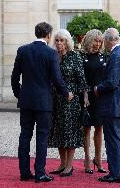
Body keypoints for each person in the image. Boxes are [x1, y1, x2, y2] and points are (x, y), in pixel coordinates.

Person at [11, 22, 73, 183]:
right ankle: (40, 173)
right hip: (44, 102)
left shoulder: (22, 50)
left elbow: (14, 77)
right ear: (48, 35)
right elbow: (57, 79)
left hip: (26, 101)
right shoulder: (51, 53)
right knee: (42, 137)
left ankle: (24, 172)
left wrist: (20, 95)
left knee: (25, 135)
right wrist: (66, 93)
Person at [48, 29, 88, 177]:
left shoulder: (75, 56)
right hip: (55, 100)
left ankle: (69, 166)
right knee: (58, 132)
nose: (59, 43)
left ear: (67, 42)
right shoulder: (53, 57)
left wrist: (84, 97)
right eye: (57, 40)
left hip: (70, 100)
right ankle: (62, 163)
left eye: (62, 40)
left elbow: (81, 79)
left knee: (70, 133)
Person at [94, 28, 120, 183]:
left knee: (113, 140)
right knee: (119, 139)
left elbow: (112, 82)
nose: (103, 44)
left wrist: (97, 88)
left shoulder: (116, 56)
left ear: (109, 40)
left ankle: (116, 173)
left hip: (113, 105)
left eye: (104, 40)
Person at [79, 29, 107, 174]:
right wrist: (84, 94)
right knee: (86, 128)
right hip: (86, 96)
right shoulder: (81, 56)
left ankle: (98, 158)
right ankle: (87, 159)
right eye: (95, 41)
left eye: (100, 41)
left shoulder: (104, 57)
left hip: (100, 97)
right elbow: (80, 78)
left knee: (99, 127)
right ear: (89, 40)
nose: (97, 44)